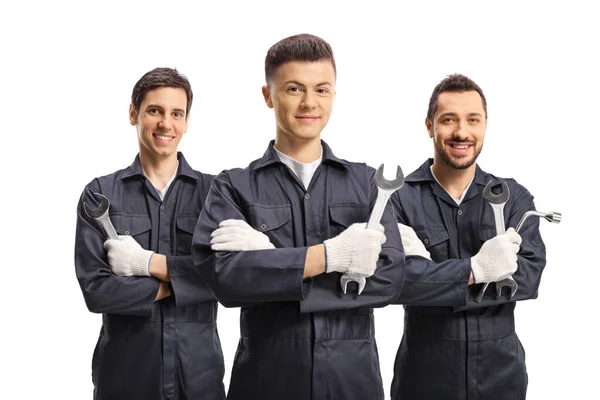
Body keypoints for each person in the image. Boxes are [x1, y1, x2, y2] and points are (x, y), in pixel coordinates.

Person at [191, 34, 405, 400]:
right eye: (294, 88)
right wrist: (330, 258)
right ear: (268, 95)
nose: (309, 103)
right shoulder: (233, 186)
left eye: (322, 90)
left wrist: (269, 261)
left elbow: (391, 279)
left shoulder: (368, 184)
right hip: (265, 384)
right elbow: (224, 280)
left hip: (353, 384)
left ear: (334, 95)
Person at [390, 73, 547, 400]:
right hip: (422, 378)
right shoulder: (399, 199)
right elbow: (396, 283)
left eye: (472, 120)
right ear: (429, 126)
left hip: (501, 377)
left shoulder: (514, 197)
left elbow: (527, 280)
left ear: (484, 125)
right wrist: (478, 269)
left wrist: (433, 282)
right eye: (448, 120)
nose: (462, 132)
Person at [74, 67, 225, 400]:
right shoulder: (100, 195)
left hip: (199, 379)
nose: (165, 124)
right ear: (134, 114)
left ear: (186, 121)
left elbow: (227, 277)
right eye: (155, 110)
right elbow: (96, 291)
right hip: (125, 378)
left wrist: (146, 264)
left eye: (176, 113)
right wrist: (181, 283)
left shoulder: (215, 194)